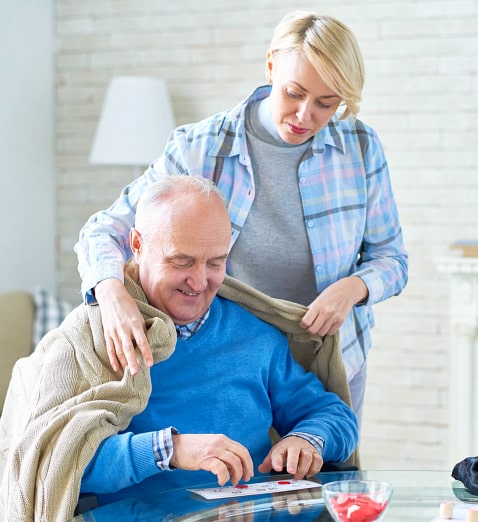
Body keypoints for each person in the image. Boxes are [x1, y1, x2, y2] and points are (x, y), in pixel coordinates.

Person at [75, 10, 408, 427]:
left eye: (327, 102)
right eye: (294, 92)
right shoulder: (200, 148)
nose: (306, 115)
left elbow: (392, 259)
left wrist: (353, 288)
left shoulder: (361, 147)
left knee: (325, 477)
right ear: (270, 66)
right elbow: (103, 230)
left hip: (331, 359)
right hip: (232, 365)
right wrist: (111, 295)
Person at [0, 177, 359, 520]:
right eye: (181, 261)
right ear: (137, 245)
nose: (200, 281)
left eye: (216, 262)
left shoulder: (256, 334)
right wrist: (169, 450)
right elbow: (54, 462)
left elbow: (333, 414)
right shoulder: (90, 339)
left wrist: (307, 439)